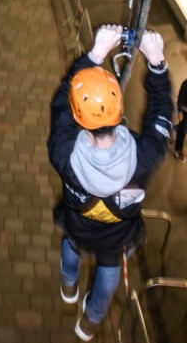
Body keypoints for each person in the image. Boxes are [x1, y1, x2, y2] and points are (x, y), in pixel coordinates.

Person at [49, 25, 174, 341]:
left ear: (80, 119)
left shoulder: (63, 151)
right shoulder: (145, 157)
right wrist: (156, 62)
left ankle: (68, 286)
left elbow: (62, 102)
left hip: (78, 225)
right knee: (109, 271)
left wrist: (95, 54)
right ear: (119, 111)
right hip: (116, 236)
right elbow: (161, 115)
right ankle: (90, 321)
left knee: (71, 244)